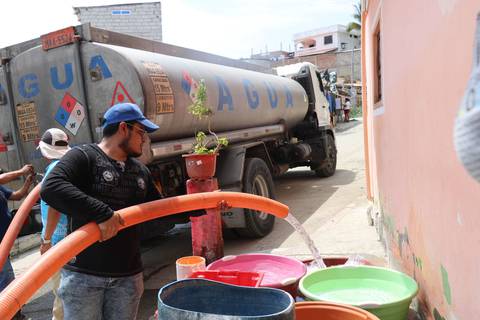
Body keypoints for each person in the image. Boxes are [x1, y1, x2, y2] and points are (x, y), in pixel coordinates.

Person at [41, 103, 161, 320]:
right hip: (84, 278)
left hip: (127, 278)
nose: (144, 139)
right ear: (123, 128)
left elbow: (162, 210)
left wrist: (204, 206)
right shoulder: (84, 157)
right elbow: (51, 188)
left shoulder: (140, 171)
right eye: (141, 132)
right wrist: (103, 213)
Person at [38, 128, 71, 320]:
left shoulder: (53, 171)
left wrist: (46, 240)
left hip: (60, 244)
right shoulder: (69, 166)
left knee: (62, 296)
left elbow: (54, 206)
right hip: (73, 240)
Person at [0, 164, 34, 320]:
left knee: (6, 276)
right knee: (5, 278)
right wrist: (21, 171)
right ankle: (11, 314)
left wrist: (28, 181)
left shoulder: (1, 189)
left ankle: (13, 311)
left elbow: (18, 195)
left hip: (4, 242)